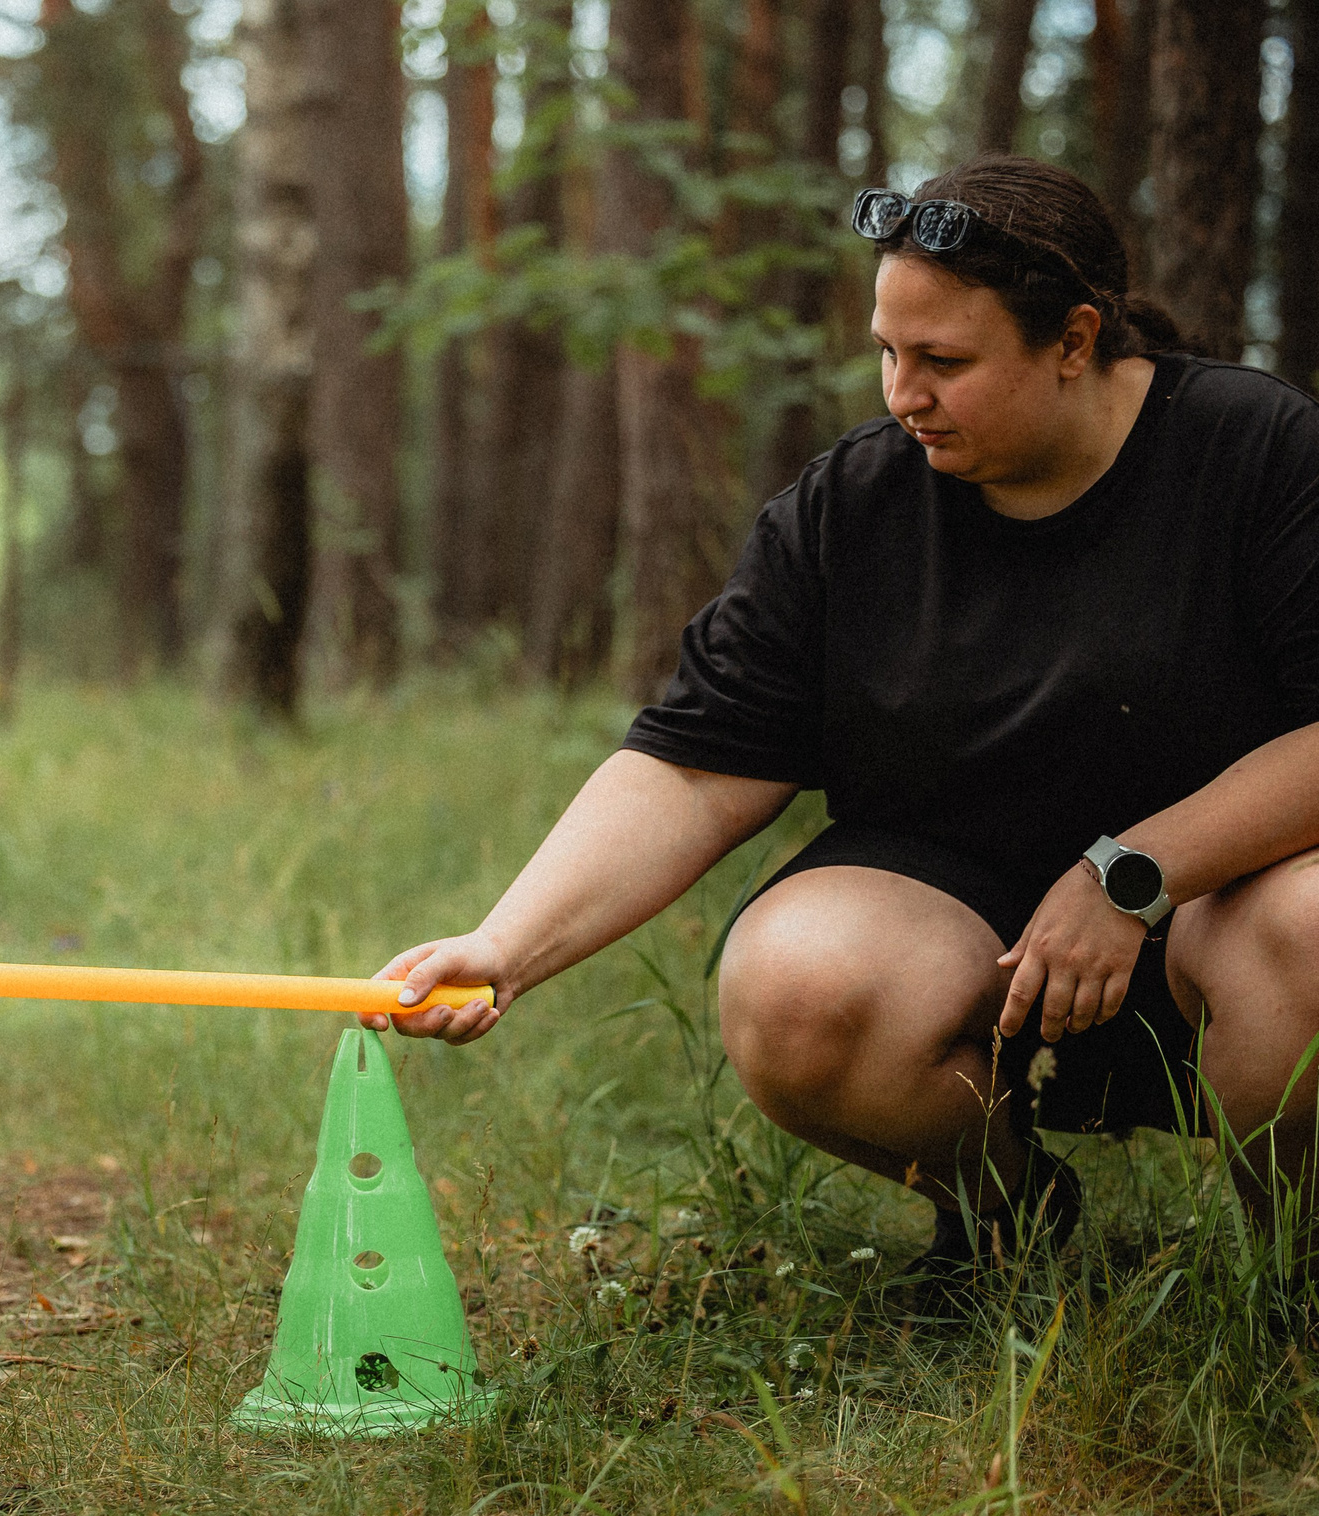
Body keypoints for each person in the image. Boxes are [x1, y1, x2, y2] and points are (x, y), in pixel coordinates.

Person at [372, 157, 1319, 1305]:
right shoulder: (852, 506)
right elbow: (694, 768)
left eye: (943, 362)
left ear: (1073, 340)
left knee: (1310, 927)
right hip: (964, 934)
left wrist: (1128, 875)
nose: (901, 394)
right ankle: (1010, 1222)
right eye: (886, 351)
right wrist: (505, 946)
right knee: (795, 986)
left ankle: (1289, 1283)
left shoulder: (1250, 448)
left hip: (1220, 913)